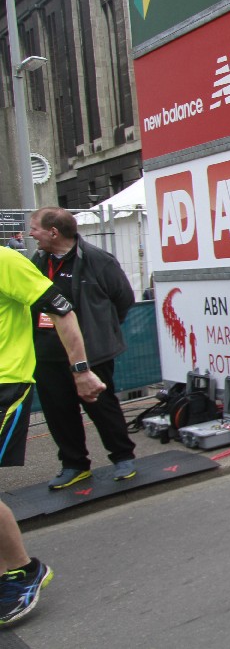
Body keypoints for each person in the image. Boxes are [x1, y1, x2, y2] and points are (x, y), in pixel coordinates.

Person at [0, 246, 105, 626]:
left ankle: (22, 570)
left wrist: (81, 370)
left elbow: (63, 310)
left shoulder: (5, 262)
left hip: (6, 385)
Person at [27, 208, 137, 488]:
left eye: (35, 228)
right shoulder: (37, 260)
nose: (31, 234)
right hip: (48, 353)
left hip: (90, 352)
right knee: (58, 412)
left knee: (102, 406)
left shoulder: (97, 260)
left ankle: (123, 456)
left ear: (53, 232)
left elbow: (123, 299)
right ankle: (74, 464)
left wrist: (101, 331)